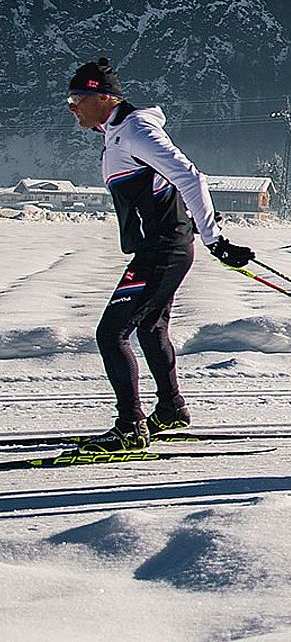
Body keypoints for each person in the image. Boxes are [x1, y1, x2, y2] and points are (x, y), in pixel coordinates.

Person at [65, 58, 255, 452]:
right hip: (160, 245)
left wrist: (213, 238)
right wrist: (193, 216)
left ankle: (130, 426)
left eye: (77, 98)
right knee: (151, 329)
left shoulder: (134, 129)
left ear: (103, 97)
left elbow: (190, 175)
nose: (72, 107)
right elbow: (169, 185)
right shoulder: (116, 131)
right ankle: (171, 409)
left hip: (164, 249)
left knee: (111, 333)